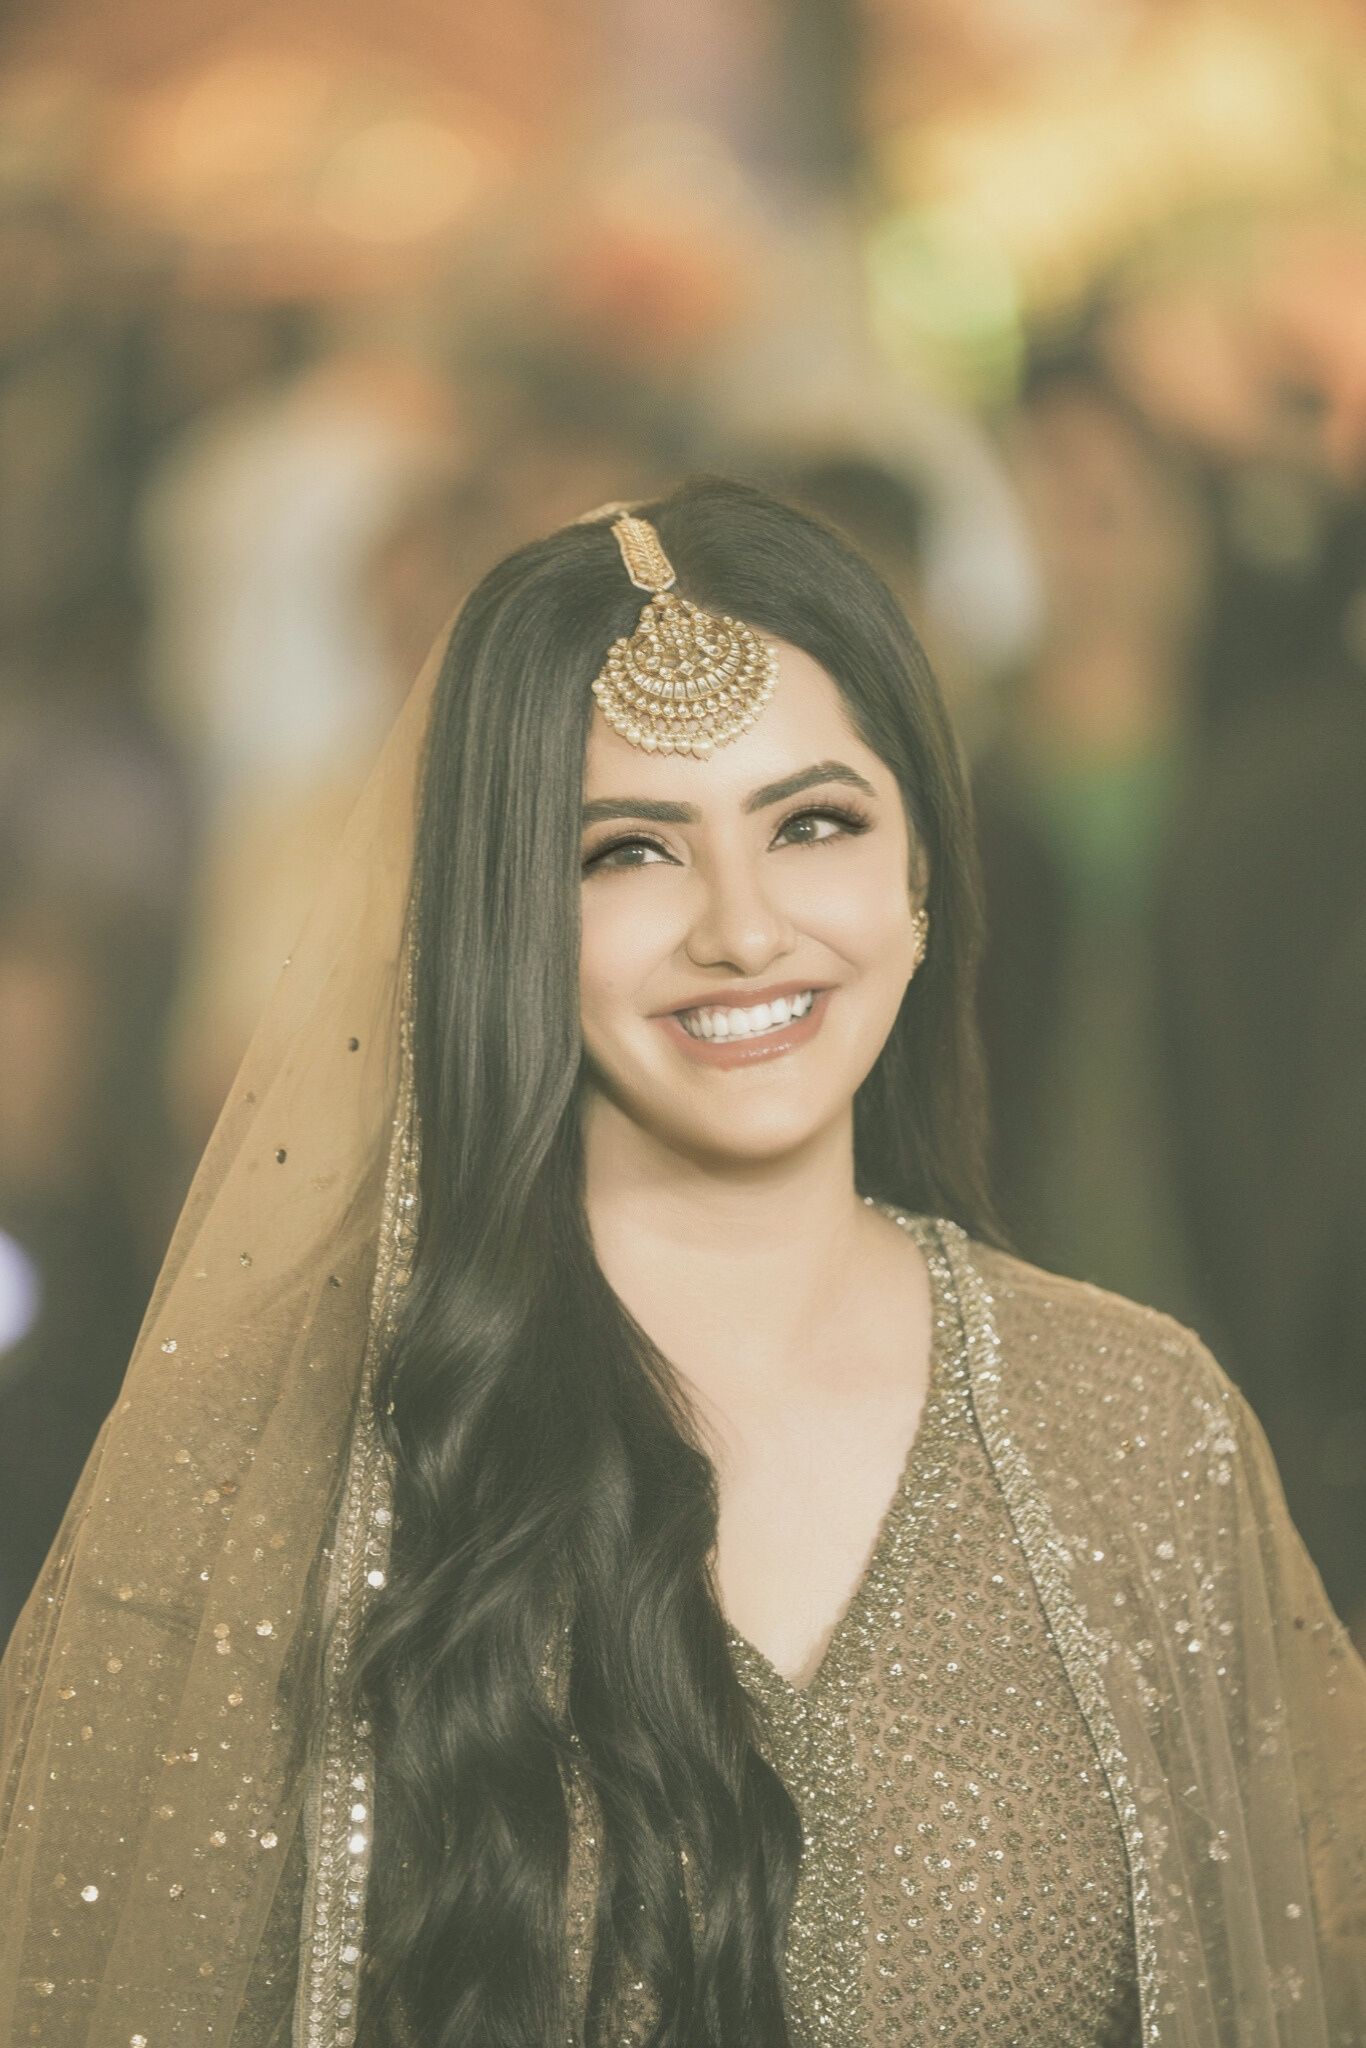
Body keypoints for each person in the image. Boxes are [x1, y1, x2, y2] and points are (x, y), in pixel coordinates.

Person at [0, 478, 1362, 2047]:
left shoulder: (1134, 1427)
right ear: (504, 916)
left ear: (918, 874)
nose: (743, 927)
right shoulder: (266, 1468)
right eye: (631, 851)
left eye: (813, 823)